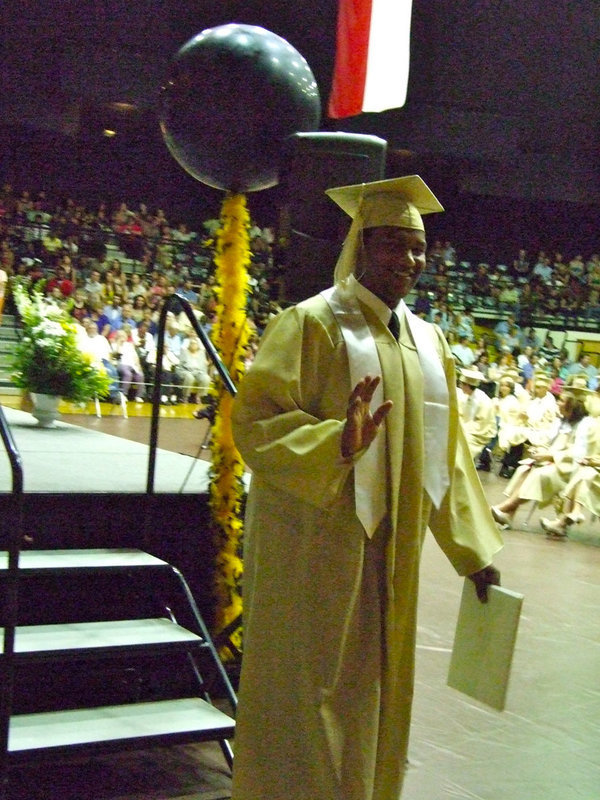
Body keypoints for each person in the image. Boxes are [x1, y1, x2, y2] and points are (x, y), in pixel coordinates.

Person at [230, 176, 502, 800]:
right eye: (393, 244)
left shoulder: (429, 342)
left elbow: (449, 455)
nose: (409, 260)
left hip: (395, 552)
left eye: (418, 248)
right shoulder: (311, 324)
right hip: (318, 549)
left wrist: (471, 551)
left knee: (375, 689)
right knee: (312, 687)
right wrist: (338, 442)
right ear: (360, 246)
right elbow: (256, 424)